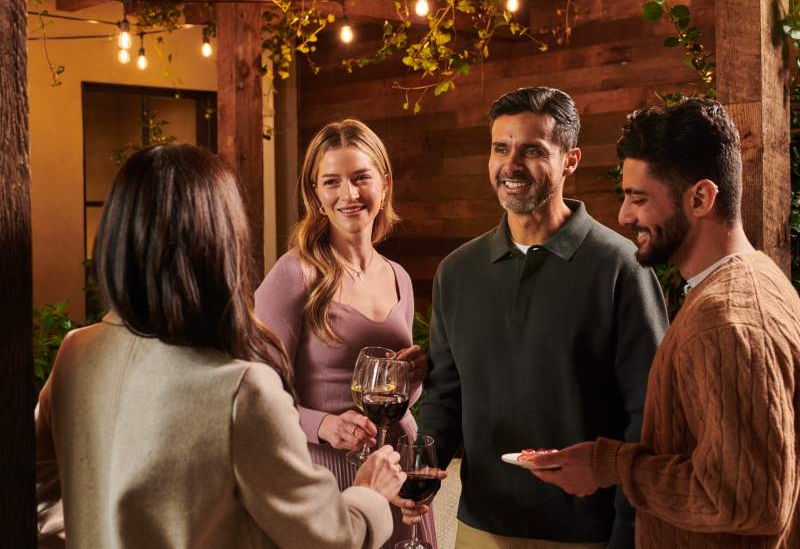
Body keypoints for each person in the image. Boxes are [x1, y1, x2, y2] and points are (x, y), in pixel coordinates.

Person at [35, 144, 406, 549]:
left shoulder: (76, 353)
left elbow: (39, 493)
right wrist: (368, 492)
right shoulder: (243, 389)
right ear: (221, 240)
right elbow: (330, 539)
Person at [527, 98, 800, 548]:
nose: (624, 216)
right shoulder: (759, 279)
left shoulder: (724, 318)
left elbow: (747, 501)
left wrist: (612, 465)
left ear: (700, 198)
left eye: (639, 199)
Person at [405, 87, 669, 548]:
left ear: (570, 160)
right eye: (500, 148)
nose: (511, 165)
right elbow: (445, 396)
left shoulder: (620, 266)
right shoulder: (457, 272)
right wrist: (420, 473)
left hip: (587, 533)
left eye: (531, 150)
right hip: (481, 527)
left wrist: (629, 533)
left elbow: (647, 414)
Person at [255, 119, 436, 548]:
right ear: (316, 194)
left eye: (361, 178)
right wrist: (323, 426)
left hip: (397, 465)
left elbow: (391, 399)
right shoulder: (294, 273)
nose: (348, 195)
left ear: (385, 184)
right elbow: (254, 394)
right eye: (332, 182)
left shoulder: (399, 277)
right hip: (329, 473)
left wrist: (414, 377)